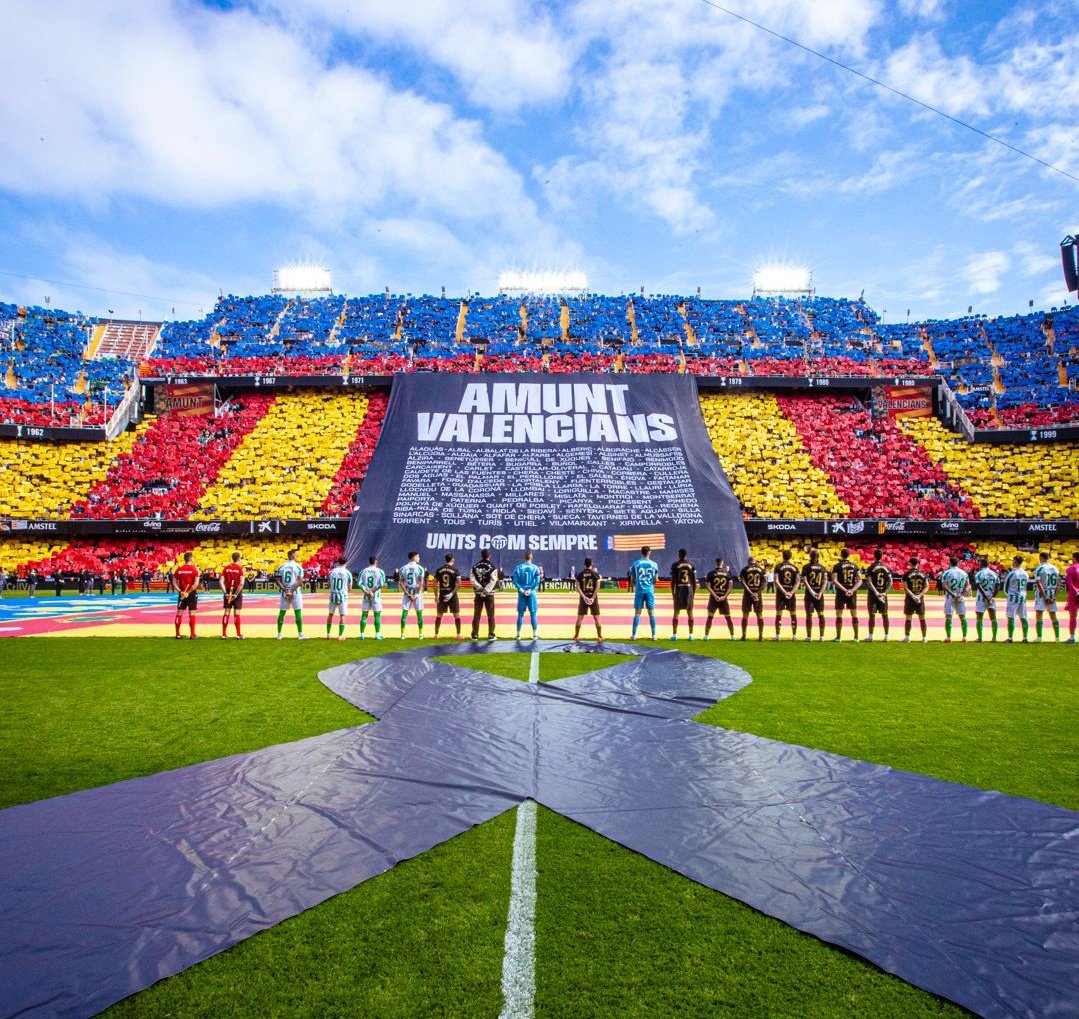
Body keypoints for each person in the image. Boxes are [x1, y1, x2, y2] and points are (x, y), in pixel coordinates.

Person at [629, 546, 660, 641]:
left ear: (641, 552)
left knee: (637, 613)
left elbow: (632, 580)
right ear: (649, 552)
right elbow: (656, 579)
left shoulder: (635, 564)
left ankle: (633, 635)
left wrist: (637, 584)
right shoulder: (654, 564)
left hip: (639, 590)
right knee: (651, 613)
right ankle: (654, 635)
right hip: (650, 590)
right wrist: (651, 583)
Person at [275, 549, 307, 640]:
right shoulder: (298, 567)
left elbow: (277, 580)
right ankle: (300, 634)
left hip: (284, 593)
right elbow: (300, 581)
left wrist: (285, 590)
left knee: (282, 612)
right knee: (298, 612)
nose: (297, 556)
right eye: (296, 555)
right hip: (295, 592)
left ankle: (279, 634)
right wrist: (292, 591)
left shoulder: (281, 566)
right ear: (293, 556)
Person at [831, 548, 861, 642]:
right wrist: (851, 590)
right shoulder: (855, 566)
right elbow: (860, 580)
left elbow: (834, 581)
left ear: (841, 555)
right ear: (849, 555)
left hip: (841, 592)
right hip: (852, 592)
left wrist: (845, 590)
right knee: (854, 614)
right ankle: (856, 637)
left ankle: (838, 637)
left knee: (839, 614)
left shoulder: (837, 566)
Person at [939, 556, 970, 643]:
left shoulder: (947, 573)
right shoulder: (964, 573)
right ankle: (964, 637)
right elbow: (967, 585)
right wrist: (961, 594)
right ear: (958, 563)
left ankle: (948, 637)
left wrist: (953, 595)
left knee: (948, 617)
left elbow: (944, 586)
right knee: (962, 617)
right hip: (960, 597)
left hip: (950, 596)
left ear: (949, 563)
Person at [1032, 552, 1061, 642]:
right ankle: (1057, 638)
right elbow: (1059, 583)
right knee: (1053, 615)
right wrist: (1055, 596)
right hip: (1052, 592)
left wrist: (1044, 596)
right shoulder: (1055, 568)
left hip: (1042, 593)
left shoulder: (1039, 568)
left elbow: (1038, 583)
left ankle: (1039, 637)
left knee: (1039, 614)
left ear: (1041, 558)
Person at [469, 549, 498, 641]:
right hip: (489, 594)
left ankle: (475, 634)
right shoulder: (493, 567)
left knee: (477, 614)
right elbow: (493, 581)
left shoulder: (474, 567)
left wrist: (480, 589)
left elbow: (472, 580)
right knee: (490, 614)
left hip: (478, 593)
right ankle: (491, 635)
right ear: (489, 556)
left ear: (481, 555)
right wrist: (485, 591)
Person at [702, 558, 735, 640]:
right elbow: (730, 588)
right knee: (728, 618)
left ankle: (706, 636)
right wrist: (724, 596)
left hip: (713, 598)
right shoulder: (727, 574)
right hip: (723, 598)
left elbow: (708, 586)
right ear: (722, 564)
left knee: (710, 617)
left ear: (715, 563)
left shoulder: (710, 574)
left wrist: (715, 595)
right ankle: (732, 636)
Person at [512, 551, 541, 641]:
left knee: (520, 614)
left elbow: (515, 581)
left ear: (524, 557)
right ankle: (535, 635)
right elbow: (537, 582)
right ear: (531, 557)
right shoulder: (535, 568)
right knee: (533, 614)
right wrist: (530, 590)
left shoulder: (518, 567)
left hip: (521, 593)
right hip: (531, 593)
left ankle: (518, 635)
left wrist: (522, 590)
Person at [863, 549, 891, 642]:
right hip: (883, 594)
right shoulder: (886, 567)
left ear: (874, 556)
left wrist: (876, 593)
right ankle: (886, 636)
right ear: (882, 556)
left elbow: (869, 582)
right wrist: (884, 592)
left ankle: (870, 636)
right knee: (885, 615)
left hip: (873, 594)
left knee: (872, 615)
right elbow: (890, 582)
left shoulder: (871, 567)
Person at [357, 556, 387, 640]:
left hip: (366, 596)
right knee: (377, 615)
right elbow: (381, 584)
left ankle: (362, 634)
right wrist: (372, 592)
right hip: (376, 596)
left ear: (369, 562)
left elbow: (359, 584)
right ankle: (377, 634)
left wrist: (367, 592)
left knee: (364, 615)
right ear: (376, 562)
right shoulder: (380, 571)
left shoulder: (363, 571)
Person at [669, 549, 697, 641]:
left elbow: (673, 581)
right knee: (690, 613)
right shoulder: (691, 565)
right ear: (686, 555)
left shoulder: (675, 565)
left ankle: (674, 635)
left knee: (676, 612)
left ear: (679, 555)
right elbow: (694, 581)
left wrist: (673, 593)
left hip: (679, 591)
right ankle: (691, 635)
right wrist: (693, 594)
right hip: (689, 591)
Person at [433, 553, 463, 639]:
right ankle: (458, 635)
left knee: (439, 615)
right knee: (456, 615)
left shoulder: (439, 570)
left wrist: (436, 596)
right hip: (452, 595)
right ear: (452, 560)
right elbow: (459, 584)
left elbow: (435, 584)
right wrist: (451, 593)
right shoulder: (456, 570)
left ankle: (436, 634)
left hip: (442, 595)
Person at [772, 549, 799, 641]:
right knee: (793, 614)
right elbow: (797, 582)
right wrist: (791, 592)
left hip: (781, 593)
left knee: (779, 613)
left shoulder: (778, 566)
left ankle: (777, 636)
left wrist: (784, 592)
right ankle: (794, 636)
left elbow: (776, 581)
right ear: (790, 556)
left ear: (782, 556)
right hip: (791, 594)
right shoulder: (795, 568)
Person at [398, 552, 427, 639]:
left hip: (407, 592)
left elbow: (401, 582)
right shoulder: (420, 568)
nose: (419, 558)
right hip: (416, 592)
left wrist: (407, 593)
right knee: (419, 613)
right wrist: (416, 594)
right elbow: (421, 582)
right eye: (418, 556)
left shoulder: (403, 568)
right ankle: (421, 634)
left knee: (405, 612)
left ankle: (402, 634)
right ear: (414, 557)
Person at [574, 556, 603, 642]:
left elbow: (577, 587)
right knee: (596, 617)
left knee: (580, 617)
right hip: (593, 597)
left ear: (584, 564)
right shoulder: (595, 574)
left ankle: (576, 636)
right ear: (591, 564)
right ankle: (599, 636)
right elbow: (598, 587)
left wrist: (584, 596)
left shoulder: (580, 574)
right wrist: (593, 598)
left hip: (583, 598)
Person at [972, 556, 1000, 643]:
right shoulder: (994, 574)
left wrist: (985, 595)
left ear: (981, 565)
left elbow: (978, 585)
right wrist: (992, 597)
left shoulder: (979, 574)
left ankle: (980, 638)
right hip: (991, 597)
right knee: (993, 617)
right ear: (988, 565)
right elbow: (998, 586)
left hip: (981, 598)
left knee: (979, 617)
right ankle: (994, 638)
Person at [801, 549, 827, 641]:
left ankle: (809, 636)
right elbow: (825, 582)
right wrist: (820, 593)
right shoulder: (822, 568)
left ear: (810, 556)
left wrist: (812, 592)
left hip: (809, 594)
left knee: (809, 615)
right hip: (819, 594)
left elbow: (805, 581)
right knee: (821, 614)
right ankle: (821, 636)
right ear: (818, 557)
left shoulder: (806, 567)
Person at [173, 552, 200, 640]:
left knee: (179, 613)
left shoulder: (179, 569)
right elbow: (195, 584)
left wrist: (180, 591)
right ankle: (192, 634)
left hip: (182, 593)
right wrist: (188, 592)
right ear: (191, 559)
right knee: (192, 613)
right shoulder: (194, 570)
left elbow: (174, 583)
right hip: (191, 593)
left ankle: (177, 634)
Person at [1003, 555, 1030, 643]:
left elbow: (1005, 587)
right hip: (1022, 597)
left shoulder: (1012, 573)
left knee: (1011, 617)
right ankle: (1025, 637)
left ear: (1015, 562)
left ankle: (1010, 637)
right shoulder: (1025, 573)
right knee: (1023, 617)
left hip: (1013, 597)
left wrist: (1008, 595)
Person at [902, 556, 928, 642]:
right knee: (922, 618)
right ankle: (924, 637)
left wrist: (913, 596)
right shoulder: (923, 574)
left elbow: (905, 588)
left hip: (910, 598)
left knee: (908, 618)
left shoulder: (906, 574)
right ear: (918, 564)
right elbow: (926, 587)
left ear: (910, 564)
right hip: (920, 599)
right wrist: (919, 595)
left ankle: (907, 637)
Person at [220, 552, 246, 639]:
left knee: (227, 612)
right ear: (239, 558)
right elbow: (241, 583)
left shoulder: (226, 568)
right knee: (236, 613)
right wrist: (236, 594)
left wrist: (225, 593)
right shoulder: (240, 569)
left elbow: (220, 581)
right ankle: (238, 634)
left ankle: (224, 634)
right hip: (236, 592)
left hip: (227, 590)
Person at [326, 556, 353, 641]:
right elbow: (350, 588)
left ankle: (328, 634)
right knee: (342, 615)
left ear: (338, 562)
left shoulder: (331, 572)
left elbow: (329, 585)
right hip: (342, 596)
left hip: (333, 595)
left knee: (330, 614)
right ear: (346, 562)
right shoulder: (348, 573)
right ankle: (340, 635)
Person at [739, 556, 765, 641]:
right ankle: (760, 635)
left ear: (748, 562)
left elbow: (743, 582)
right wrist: (757, 593)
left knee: (745, 614)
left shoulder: (744, 569)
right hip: (758, 594)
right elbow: (764, 583)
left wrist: (750, 592)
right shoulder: (760, 569)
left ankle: (744, 635)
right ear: (754, 561)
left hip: (747, 594)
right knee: (759, 615)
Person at [1065, 550, 1079, 644]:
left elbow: (1070, 584)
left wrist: (1077, 592)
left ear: (1074, 558)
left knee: (1073, 616)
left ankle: (1072, 637)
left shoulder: (1070, 569)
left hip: (1074, 595)